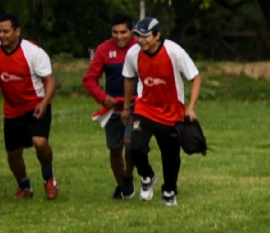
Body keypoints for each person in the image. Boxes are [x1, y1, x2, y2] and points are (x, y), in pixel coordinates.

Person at [0, 13, 58, 200]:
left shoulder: (33, 52)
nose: (1, 35)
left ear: (17, 31)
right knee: (13, 153)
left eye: (6, 31)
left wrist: (44, 103)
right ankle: (24, 186)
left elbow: (50, 81)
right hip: (12, 109)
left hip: (36, 104)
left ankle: (49, 177)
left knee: (40, 142)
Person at [121, 17, 200, 207]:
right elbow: (129, 78)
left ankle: (169, 192)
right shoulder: (133, 53)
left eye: (145, 36)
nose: (140, 41)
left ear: (157, 35)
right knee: (134, 147)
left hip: (171, 113)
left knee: (170, 156)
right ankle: (147, 175)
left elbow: (195, 78)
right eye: (138, 36)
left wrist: (190, 108)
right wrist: (126, 107)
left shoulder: (174, 52)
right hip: (145, 109)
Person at [84, 13, 138, 199]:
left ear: (132, 31)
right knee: (115, 149)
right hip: (113, 108)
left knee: (131, 144)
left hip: (137, 106)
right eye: (115, 32)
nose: (119, 36)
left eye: (123, 32)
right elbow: (89, 79)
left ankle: (128, 175)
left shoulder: (140, 48)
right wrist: (102, 97)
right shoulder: (104, 49)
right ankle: (122, 186)